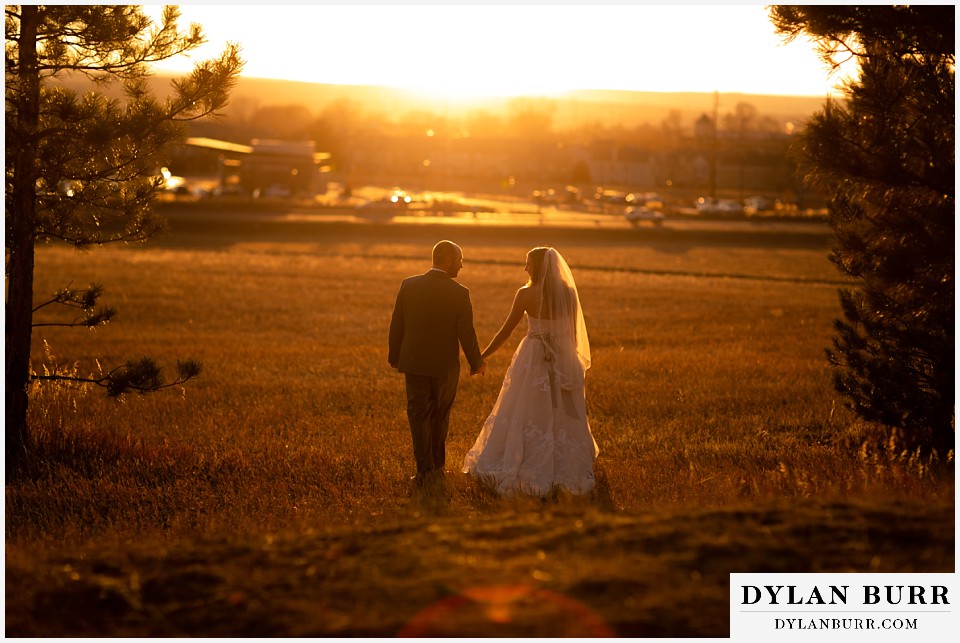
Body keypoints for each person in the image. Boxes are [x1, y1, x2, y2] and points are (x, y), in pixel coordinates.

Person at [463, 247, 598, 496]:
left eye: (528, 264)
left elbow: (506, 331)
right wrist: (569, 358)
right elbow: (574, 332)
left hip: (533, 355)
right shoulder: (568, 294)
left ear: (538, 266)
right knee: (561, 407)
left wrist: (481, 356)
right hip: (562, 354)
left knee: (526, 406)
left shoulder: (525, 294)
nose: (525, 268)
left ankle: (526, 457)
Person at [389, 240, 485, 486]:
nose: (462, 266)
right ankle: (437, 468)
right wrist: (476, 362)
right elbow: (467, 332)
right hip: (444, 368)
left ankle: (423, 470)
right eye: (460, 260)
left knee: (418, 415)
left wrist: (395, 356)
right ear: (449, 260)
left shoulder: (409, 285)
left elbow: (397, 324)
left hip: (414, 362)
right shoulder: (459, 293)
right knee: (440, 416)